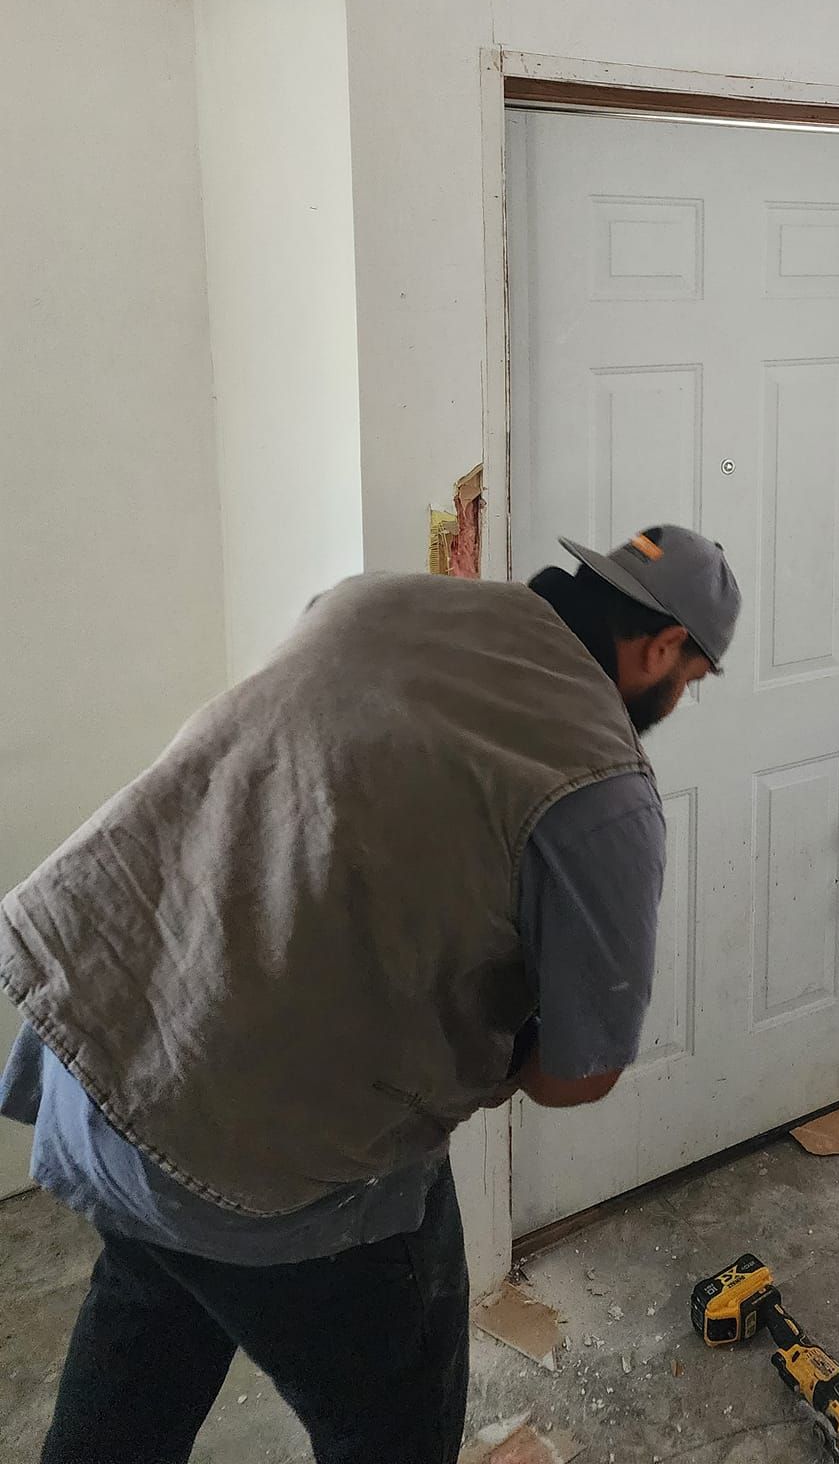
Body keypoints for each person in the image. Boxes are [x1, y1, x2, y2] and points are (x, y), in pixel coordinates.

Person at [0, 524, 740, 1464]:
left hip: (103, 1052)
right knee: (392, 1422)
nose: (681, 698)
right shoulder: (601, 783)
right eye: (693, 680)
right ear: (663, 648)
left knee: (151, 1304)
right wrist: (500, 1052)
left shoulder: (372, 600)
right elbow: (578, 1075)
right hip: (273, 1170)